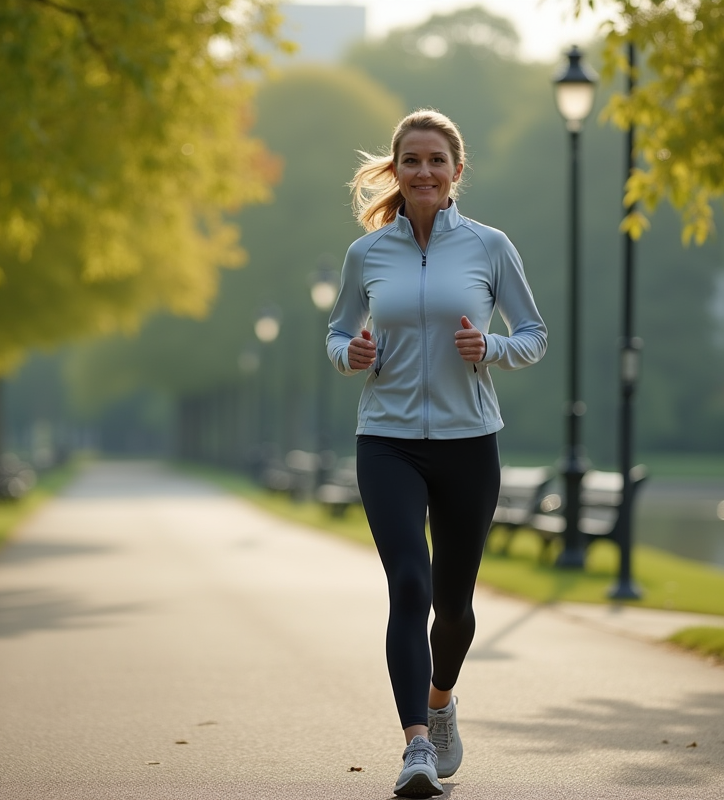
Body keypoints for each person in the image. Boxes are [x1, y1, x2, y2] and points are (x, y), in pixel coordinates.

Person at [325, 109, 547, 798]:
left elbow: (534, 333)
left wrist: (493, 347)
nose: (423, 171)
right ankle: (416, 745)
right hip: (386, 441)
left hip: (468, 443)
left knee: (452, 606)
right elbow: (337, 334)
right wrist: (351, 354)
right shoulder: (367, 254)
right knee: (409, 587)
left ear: (456, 171)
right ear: (395, 170)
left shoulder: (489, 246)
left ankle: (441, 700)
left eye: (435, 160)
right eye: (411, 160)